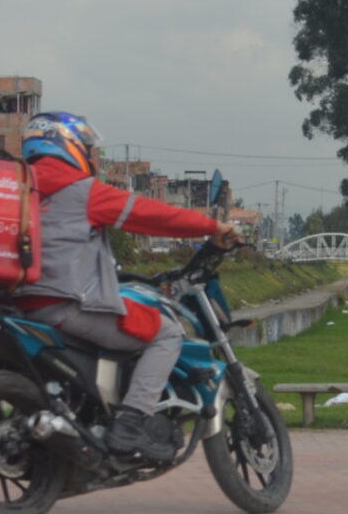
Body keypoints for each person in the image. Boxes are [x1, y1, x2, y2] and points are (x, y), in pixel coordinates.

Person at [15, 111, 242, 460]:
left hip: (17, 305)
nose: (92, 157)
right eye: (89, 149)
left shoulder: (11, 189)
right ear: (69, 146)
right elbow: (150, 214)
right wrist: (210, 226)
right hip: (66, 304)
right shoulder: (81, 191)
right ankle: (129, 424)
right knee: (165, 333)